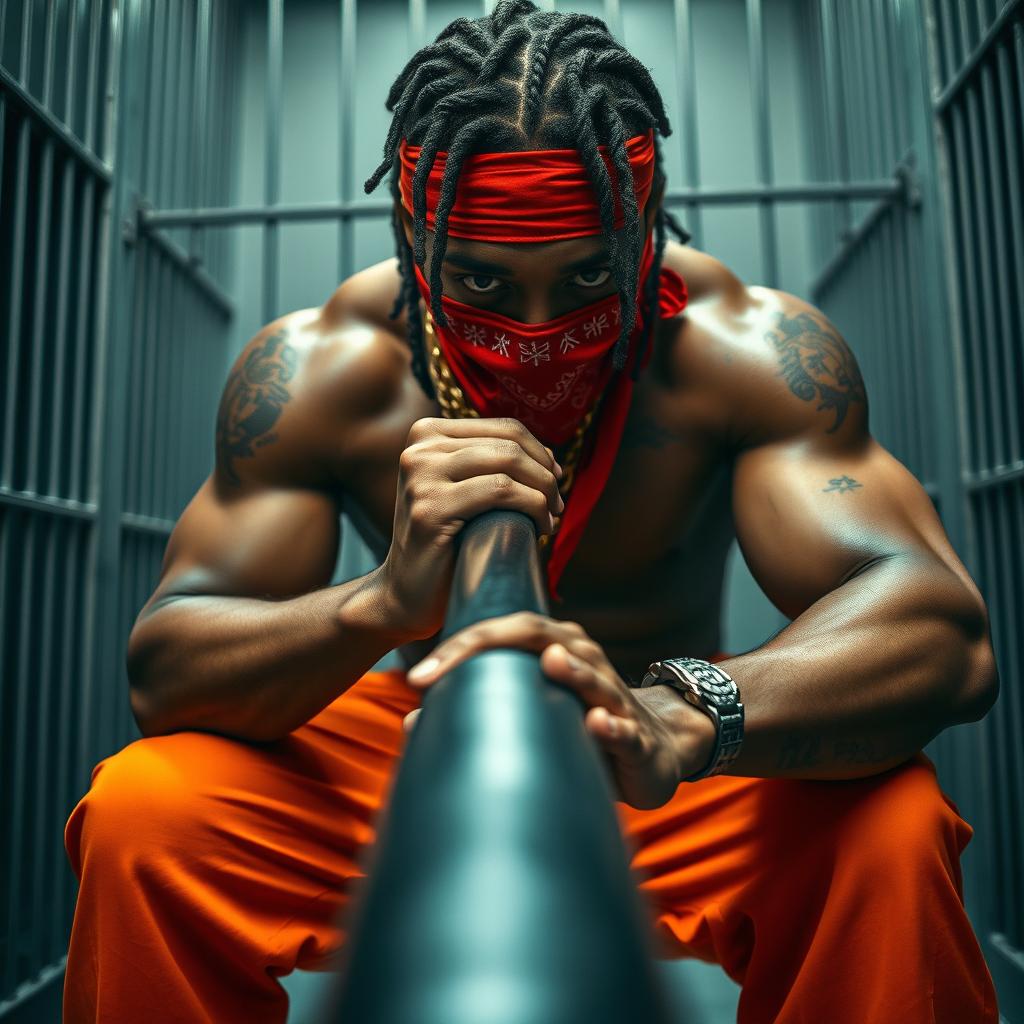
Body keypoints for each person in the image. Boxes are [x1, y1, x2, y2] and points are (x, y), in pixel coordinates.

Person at [63, 2, 1000, 1020]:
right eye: (483, 282)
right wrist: (379, 601)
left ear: (644, 229)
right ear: (416, 240)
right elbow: (165, 670)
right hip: (412, 744)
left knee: (892, 823)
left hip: (658, 751)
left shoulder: (739, 352)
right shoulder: (324, 372)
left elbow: (944, 634)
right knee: (142, 813)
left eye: (589, 275)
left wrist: (684, 715)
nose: (538, 330)